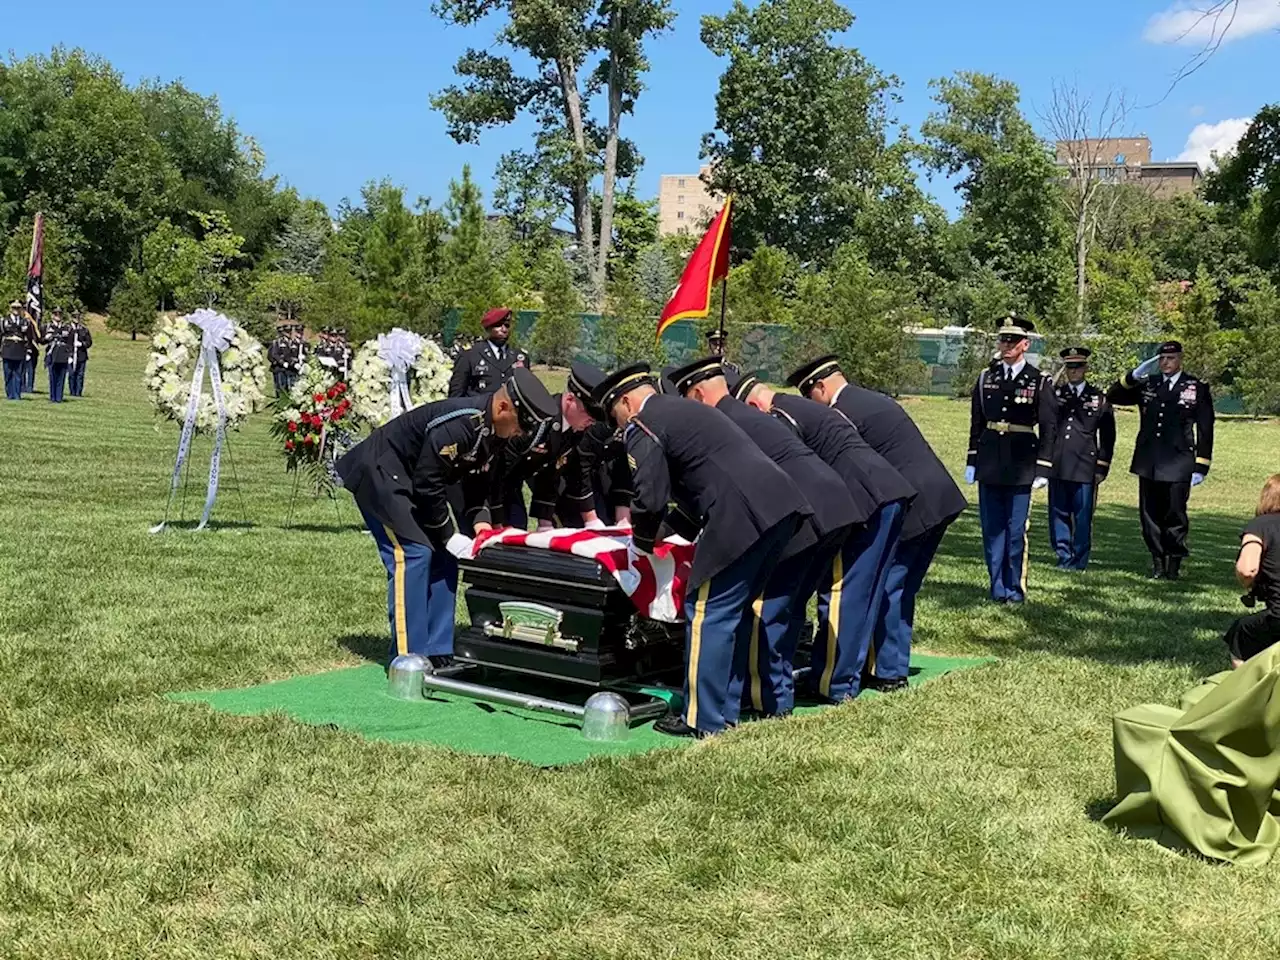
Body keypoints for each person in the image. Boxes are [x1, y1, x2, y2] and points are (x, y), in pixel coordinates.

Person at [591, 363, 811, 738]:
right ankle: (725, 709)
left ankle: (701, 719)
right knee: (734, 611)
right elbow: (700, 482)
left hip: (741, 513)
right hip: (781, 506)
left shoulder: (643, 423)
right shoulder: (687, 410)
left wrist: (641, 544)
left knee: (708, 611)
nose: (618, 426)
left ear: (626, 401)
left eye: (616, 416)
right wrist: (669, 534)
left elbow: (649, 493)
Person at [669, 357, 859, 718]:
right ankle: (775, 693)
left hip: (800, 511)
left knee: (763, 608)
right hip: (832, 503)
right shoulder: (748, 415)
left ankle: (762, 699)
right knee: (785, 607)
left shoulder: (720, 423)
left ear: (695, 394)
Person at [336, 367, 558, 664]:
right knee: (414, 554)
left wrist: (480, 525)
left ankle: (438, 649)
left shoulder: (493, 430)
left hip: (412, 479)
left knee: (445, 557)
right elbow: (429, 483)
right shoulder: (462, 424)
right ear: (504, 406)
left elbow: (480, 480)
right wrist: (448, 533)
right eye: (521, 425)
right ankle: (408, 656)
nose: (521, 433)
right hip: (382, 474)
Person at [787, 355, 967, 691]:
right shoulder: (870, 400)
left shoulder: (841, 413)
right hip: (937, 495)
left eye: (808, 397)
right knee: (901, 586)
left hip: (911, 500)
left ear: (821, 388)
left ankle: (884, 670)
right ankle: (888, 667)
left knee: (885, 585)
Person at [739, 375, 916, 703]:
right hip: (885, 493)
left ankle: (832, 684)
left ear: (753, 405)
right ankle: (845, 676)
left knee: (842, 591)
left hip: (864, 499)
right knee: (863, 593)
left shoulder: (781, 415)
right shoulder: (801, 406)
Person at [965, 315, 1058, 604]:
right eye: (1002, 339)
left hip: (1021, 463)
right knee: (992, 529)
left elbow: (1049, 426)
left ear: (1025, 344)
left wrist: (1044, 466)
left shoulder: (1038, 380)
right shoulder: (986, 378)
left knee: (1016, 531)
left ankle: (1015, 588)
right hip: (991, 461)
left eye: (1012, 341)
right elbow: (977, 423)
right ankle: (997, 587)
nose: (1006, 345)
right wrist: (972, 460)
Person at [1107, 340, 1215, 581]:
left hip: (1178, 462)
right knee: (1149, 514)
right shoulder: (1150, 384)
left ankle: (1173, 563)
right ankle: (1157, 561)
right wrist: (1133, 376)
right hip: (1150, 460)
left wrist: (1201, 465)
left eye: (1172, 358)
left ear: (1180, 360)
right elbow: (1113, 396)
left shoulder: (1195, 387)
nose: (1166, 363)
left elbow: (1206, 429)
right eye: (1162, 359)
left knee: (1175, 514)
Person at [1045, 347, 1116, 571]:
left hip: (1085, 464)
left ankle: (1080, 559)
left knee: (1083, 516)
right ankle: (1063, 556)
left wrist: (1102, 466)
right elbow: (1047, 428)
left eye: (1077, 367)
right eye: (1069, 367)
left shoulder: (1098, 398)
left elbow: (1108, 436)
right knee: (1058, 513)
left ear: (1085, 368)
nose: (1073, 371)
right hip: (1059, 462)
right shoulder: (1056, 395)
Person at [1225, 475, 1280, 668]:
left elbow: (1247, 569)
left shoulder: (1260, 526)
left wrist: (1247, 584)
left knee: (1240, 635)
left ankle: (1248, 691)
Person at [448, 308, 530, 398]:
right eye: (498, 325)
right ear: (488, 328)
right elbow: (456, 396)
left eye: (507, 325)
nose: (504, 330)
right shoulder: (469, 356)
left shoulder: (519, 357)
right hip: (479, 410)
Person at [2, 299, 33, 401]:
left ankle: (17, 395)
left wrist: (28, 350)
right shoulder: (4, 321)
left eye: (18, 308)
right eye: (14, 308)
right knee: (8, 373)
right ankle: (10, 394)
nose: (16, 310)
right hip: (8, 349)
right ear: (11, 309)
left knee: (18, 374)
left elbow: (29, 337)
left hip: (20, 349)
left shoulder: (25, 321)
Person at [43, 307, 74, 403]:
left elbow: (70, 342)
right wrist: (47, 337)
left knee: (61, 377)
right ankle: (53, 397)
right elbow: (42, 340)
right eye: (56, 314)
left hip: (63, 354)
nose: (58, 316)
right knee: (53, 377)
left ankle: (59, 397)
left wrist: (70, 355)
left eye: (59, 314)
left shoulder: (67, 328)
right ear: (52, 315)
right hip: (52, 354)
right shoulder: (48, 327)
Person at [68, 310, 92, 397]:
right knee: (71, 374)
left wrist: (82, 344)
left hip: (81, 355)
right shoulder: (68, 329)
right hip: (70, 356)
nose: (76, 319)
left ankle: (78, 393)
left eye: (78, 317)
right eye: (75, 317)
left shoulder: (84, 330)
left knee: (80, 375)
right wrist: (68, 354)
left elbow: (89, 342)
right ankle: (72, 392)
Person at [267, 323, 292, 396]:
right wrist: (278, 362)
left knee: (287, 386)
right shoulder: (277, 342)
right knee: (280, 386)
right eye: (287, 331)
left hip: (287, 368)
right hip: (278, 368)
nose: (289, 333)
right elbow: (271, 355)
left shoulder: (290, 342)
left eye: (290, 331)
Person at [21, 307, 41, 394]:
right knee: (22, 369)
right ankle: (22, 386)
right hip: (21, 349)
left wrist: (29, 349)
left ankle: (29, 387)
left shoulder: (33, 323)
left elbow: (35, 336)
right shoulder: (21, 322)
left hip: (32, 349)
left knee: (31, 369)